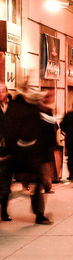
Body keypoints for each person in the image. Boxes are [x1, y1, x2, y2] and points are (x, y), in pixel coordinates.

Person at [5, 83, 53, 224]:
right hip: (24, 152)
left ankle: (39, 213)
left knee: (35, 183)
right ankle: (37, 214)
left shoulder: (29, 109)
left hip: (29, 153)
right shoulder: (25, 109)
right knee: (11, 183)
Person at [0, 84, 13, 221]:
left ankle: (4, 211)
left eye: (1, 92)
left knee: (6, 184)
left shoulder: (13, 108)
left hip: (9, 151)